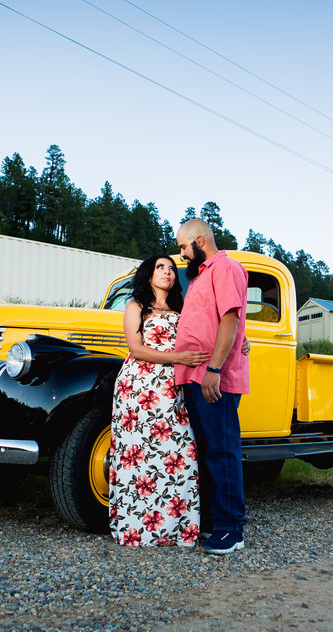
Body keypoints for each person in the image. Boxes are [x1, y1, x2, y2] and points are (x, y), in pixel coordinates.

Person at [108, 255, 210, 547]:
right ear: (148, 274)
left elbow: (205, 332)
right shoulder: (136, 306)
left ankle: (175, 529)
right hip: (139, 389)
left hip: (172, 389)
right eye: (160, 267)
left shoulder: (182, 308)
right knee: (139, 456)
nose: (167, 272)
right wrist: (178, 358)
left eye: (171, 269)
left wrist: (241, 338)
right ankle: (138, 529)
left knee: (178, 453)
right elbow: (136, 349)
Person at [173, 219, 250, 555]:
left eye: (183, 246)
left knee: (222, 449)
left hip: (212, 377)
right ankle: (214, 524)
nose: (181, 252)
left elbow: (230, 319)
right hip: (195, 376)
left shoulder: (226, 268)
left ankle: (231, 529)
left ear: (199, 240)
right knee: (207, 451)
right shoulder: (202, 274)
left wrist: (214, 369)